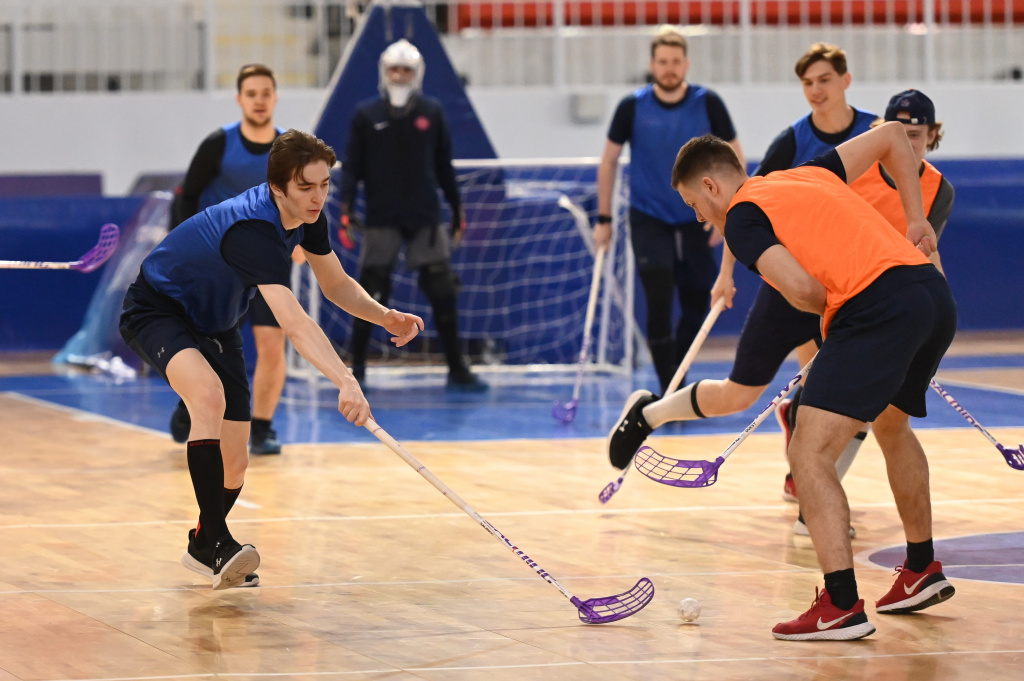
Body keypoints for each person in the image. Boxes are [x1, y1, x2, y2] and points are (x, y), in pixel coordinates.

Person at [671, 124, 956, 640]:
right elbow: (893, 137)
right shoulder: (808, 173)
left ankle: (840, 604)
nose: (698, 216)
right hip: (931, 294)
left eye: (694, 204)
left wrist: (839, 322)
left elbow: (803, 289)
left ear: (711, 186)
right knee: (892, 427)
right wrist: (915, 219)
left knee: (808, 453)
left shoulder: (742, 219)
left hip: (877, 309)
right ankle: (920, 569)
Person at [120, 130, 424, 589]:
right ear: (277, 187)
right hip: (158, 309)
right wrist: (345, 379)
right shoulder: (254, 231)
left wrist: (385, 316)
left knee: (237, 463)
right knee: (208, 396)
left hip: (217, 323)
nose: (318, 197)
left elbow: (335, 284)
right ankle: (218, 544)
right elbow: (295, 323)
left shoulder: (307, 215)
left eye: (324, 185)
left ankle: (202, 544)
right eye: (306, 187)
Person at [605, 43, 873, 522]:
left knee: (850, 401)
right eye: (808, 82)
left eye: (825, 80)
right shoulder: (792, 142)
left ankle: (813, 501)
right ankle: (649, 413)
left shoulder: (873, 134)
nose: (816, 90)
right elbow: (744, 205)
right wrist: (727, 273)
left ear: (846, 81)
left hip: (847, 284)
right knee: (739, 394)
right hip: (793, 286)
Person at [595, 25, 744, 395]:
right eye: (662, 61)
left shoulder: (707, 102)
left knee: (696, 301)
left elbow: (735, 158)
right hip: (649, 216)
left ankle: (677, 375)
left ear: (686, 64)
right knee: (658, 303)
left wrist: (728, 212)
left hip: (699, 215)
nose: (669, 68)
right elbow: (609, 161)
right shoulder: (632, 106)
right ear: (652, 65)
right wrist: (603, 218)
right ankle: (668, 389)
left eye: (676, 61)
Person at [339, 39, 487, 392]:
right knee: (370, 292)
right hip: (382, 216)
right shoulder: (366, 115)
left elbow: (443, 165)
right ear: (383, 72)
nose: (400, 75)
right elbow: (352, 166)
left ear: (417, 74)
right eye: (394, 69)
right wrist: (346, 208)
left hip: (425, 216)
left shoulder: (432, 112)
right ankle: (357, 369)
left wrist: (457, 209)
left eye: (406, 70)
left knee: (442, 290)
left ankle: (457, 369)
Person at [169, 63, 294, 455]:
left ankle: (263, 428)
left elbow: (299, 200)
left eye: (266, 93)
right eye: (251, 94)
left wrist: (302, 242)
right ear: (240, 99)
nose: (259, 100)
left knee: (273, 343)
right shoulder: (218, 144)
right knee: (211, 344)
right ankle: (188, 402)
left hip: (267, 262)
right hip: (219, 264)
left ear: (275, 97)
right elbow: (187, 196)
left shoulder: (287, 150)